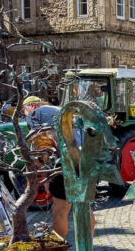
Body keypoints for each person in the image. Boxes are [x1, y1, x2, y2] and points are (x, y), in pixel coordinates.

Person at [22, 96, 94, 238]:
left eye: (23, 111)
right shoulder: (61, 112)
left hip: (64, 164)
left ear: (31, 105)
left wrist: (46, 175)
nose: (24, 115)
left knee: (60, 210)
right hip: (86, 160)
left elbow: (41, 150)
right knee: (84, 206)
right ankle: (87, 249)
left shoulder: (35, 115)